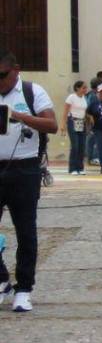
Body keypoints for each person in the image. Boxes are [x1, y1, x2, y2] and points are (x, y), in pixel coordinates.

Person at [0, 50, 58, 313]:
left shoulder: (32, 92)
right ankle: (2, 279)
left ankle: (24, 288)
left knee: (25, 230)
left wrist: (19, 116)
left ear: (15, 70)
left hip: (24, 168)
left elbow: (51, 125)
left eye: (2, 75)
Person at [63, 81, 89, 174]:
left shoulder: (84, 98)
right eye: (83, 87)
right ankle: (72, 168)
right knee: (75, 145)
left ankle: (80, 168)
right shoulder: (71, 97)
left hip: (82, 122)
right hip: (72, 121)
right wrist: (63, 124)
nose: (85, 89)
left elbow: (84, 111)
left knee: (82, 145)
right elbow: (65, 111)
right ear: (77, 88)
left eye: (86, 88)